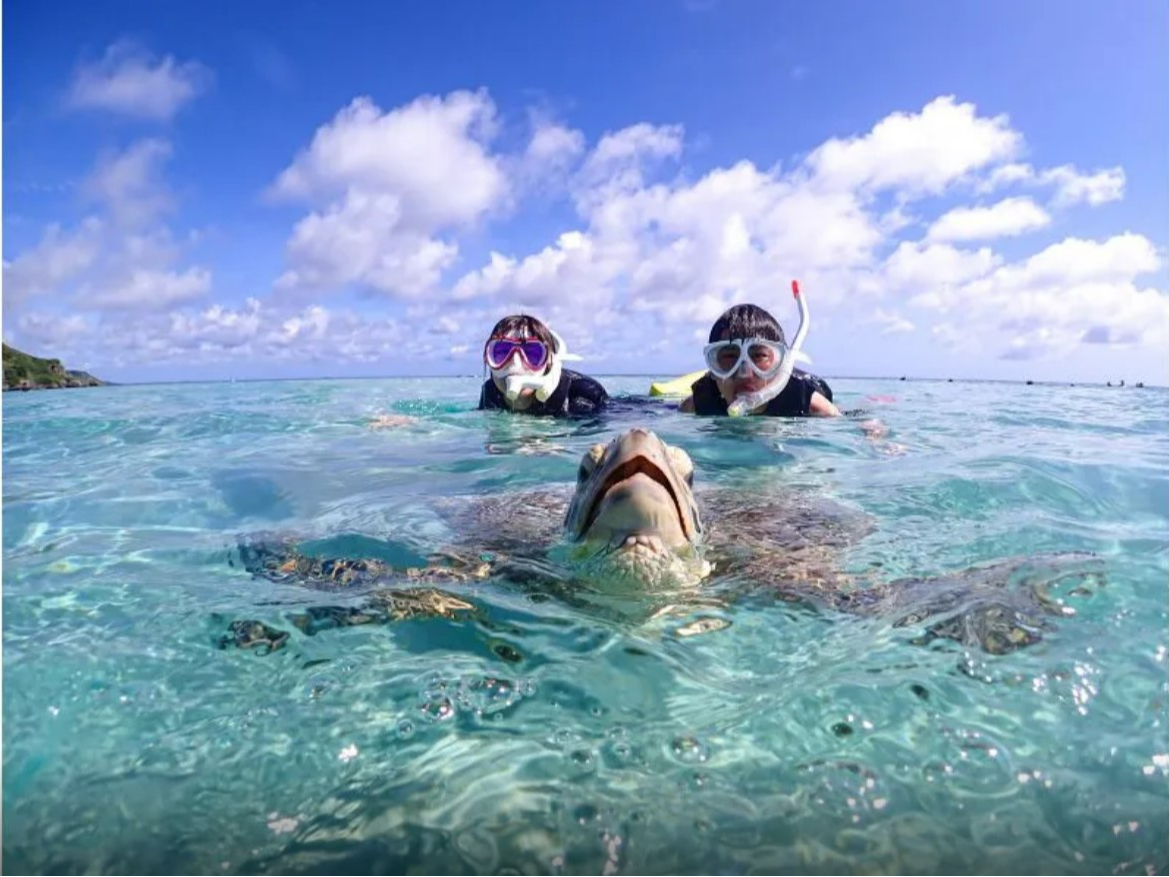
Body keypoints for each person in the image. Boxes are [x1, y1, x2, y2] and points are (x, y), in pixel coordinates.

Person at [680, 303, 840, 417]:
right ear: (714, 367)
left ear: (779, 363)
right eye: (729, 356)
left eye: (758, 356)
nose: (744, 374)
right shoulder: (701, 400)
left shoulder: (804, 400)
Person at [478, 314, 609, 417]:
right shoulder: (491, 393)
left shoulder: (582, 394)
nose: (515, 363)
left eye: (532, 354)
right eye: (501, 353)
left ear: (549, 361)